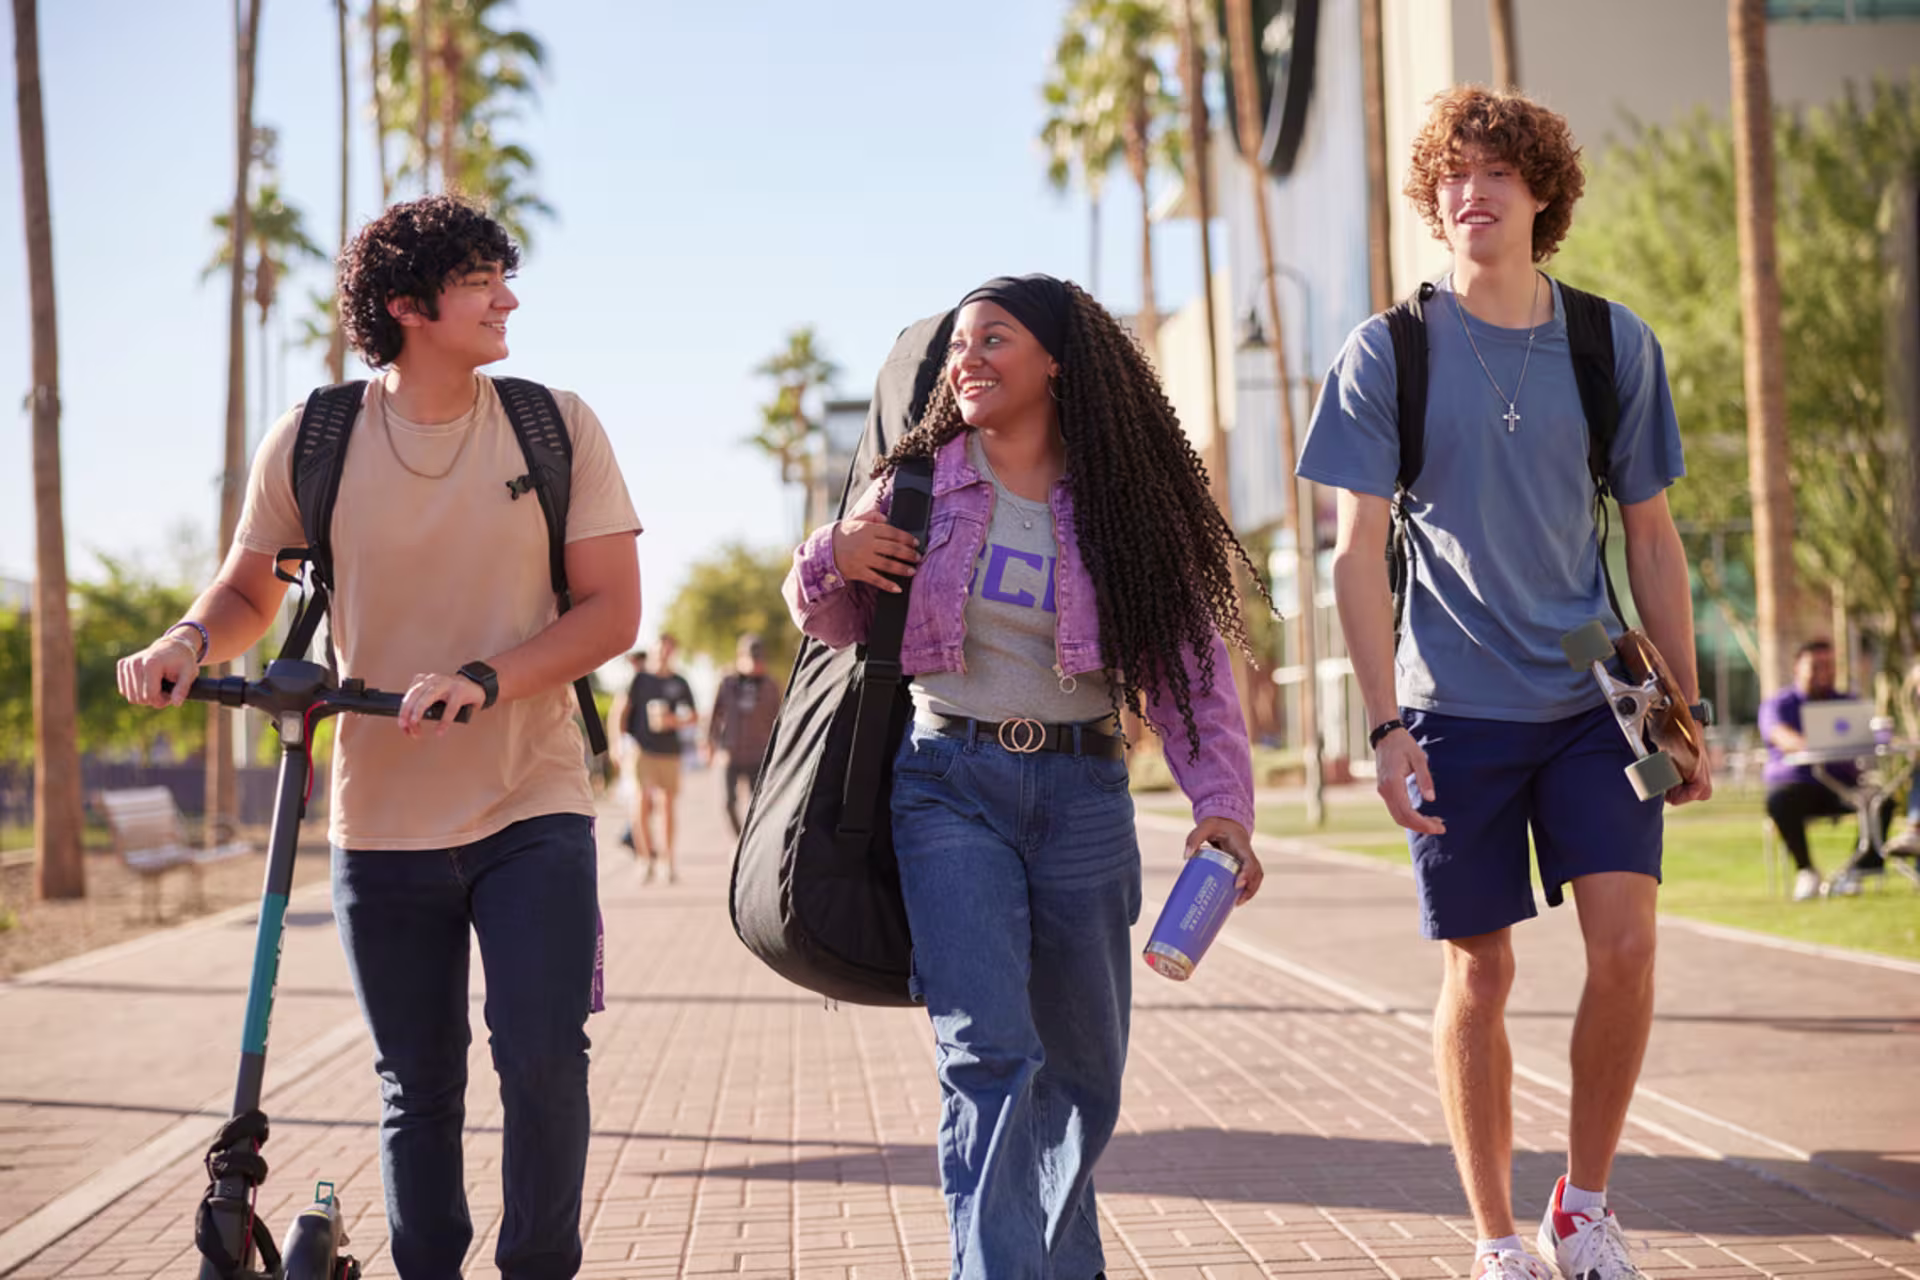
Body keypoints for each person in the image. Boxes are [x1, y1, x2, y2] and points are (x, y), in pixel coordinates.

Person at [115, 195, 642, 1280]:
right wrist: (185, 637)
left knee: (544, 1059)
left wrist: (488, 678)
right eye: (481, 281)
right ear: (408, 306)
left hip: (530, 801)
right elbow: (248, 589)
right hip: (381, 815)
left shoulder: (554, 424)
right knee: (418, 1080)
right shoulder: (318, 434)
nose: (509, 297)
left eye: (506, 273)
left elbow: (610, 612)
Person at [1299, 89, 1710, 1280]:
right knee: (1480, 967)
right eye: (1452, 177)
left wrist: (1683, 708)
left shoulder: (1611, 342)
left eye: (1497, 173)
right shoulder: (1390, 349)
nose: (1472, 191)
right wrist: (1382, 725)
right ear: (1435, 204)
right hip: (1450, 706)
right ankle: (1495, 1236)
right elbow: (1356, 549)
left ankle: (1583, 1205)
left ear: (1542, 196)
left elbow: (1651, 538)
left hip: (1596, 703)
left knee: (1627, 943)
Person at [784, 273, 1266, 1280]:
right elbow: (827, 621)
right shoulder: (915, 483)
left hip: (1086, 794)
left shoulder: (1123, 504)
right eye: (958, 343)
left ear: (1055, 361)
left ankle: (1058, 1260)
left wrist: (1222, 806)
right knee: (989, 1055)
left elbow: (1193, 669)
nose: (967, 360)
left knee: (1085, 1075)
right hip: (947, 782)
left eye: (993, 339)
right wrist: (837, 550)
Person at [1758, 638, 1891, 899]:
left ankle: (1860, 870)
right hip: (1800, 785)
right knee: (1779, 801)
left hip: (1842, 786)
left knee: (1881, 801)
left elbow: (1866, 739)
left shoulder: (1847, 702)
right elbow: (1782, 737)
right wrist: (1817, 745)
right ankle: (1806, 871)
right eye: (1816, 665)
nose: (1824, 672)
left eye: (1830, 665)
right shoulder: (1778, 704)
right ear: (1798, 667)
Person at [623, 633, 696, 881]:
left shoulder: (680, 682)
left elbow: (693, 717)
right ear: (653, 651)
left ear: (673, 652)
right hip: (642, 750)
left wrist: (673, 721)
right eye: (660, 649)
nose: (663, 653)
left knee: (667, 805)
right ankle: (645, 859)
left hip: (669, 751)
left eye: (668, 649)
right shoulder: (640, 679)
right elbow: (621, 711)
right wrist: (617, 743)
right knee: (641, 803)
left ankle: (668, 862)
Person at [704, 633, 781, 835]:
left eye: (759, 659)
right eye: (751, 658)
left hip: (760, 755)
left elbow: (781, 722)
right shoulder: (726, 683)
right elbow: (713, 716)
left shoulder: (771, 686)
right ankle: (739, 841)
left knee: (759, 805)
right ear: (740, 657)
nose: (755, 664)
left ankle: (750, 845)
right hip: (730, 753)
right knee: (728, 802)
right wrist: (709, 744)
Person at [607, 650, 647, 851]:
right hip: (632, 746)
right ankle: (632, 836)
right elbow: (617, 715)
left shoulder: (642, 681)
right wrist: (617, 744)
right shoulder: (631, 682)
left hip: (640, 746)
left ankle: (632, 834)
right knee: (639, 796)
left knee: (643, 798)